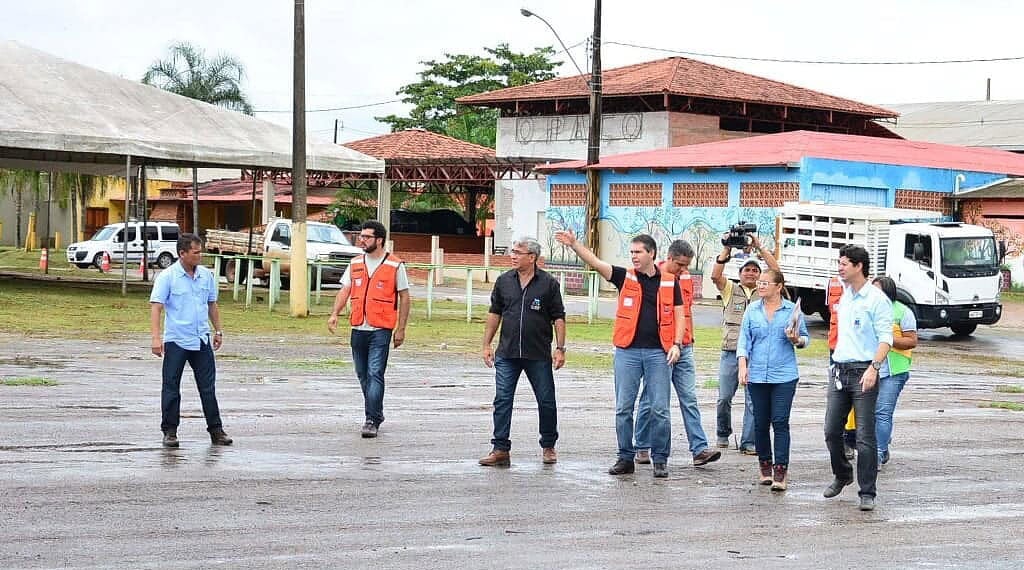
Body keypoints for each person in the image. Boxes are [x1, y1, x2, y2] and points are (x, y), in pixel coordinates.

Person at [554, 229, 683, 478]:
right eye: (632, 252)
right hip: (628, 352)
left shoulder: (669, 280)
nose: (633, 256)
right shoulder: (625, 277)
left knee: (660, 409)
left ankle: (660, 459)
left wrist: (677, 343)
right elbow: (596, 263)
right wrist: (574, 245)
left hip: (659, 353)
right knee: (624, 407)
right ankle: (625, 457)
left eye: (638, 252)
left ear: (652, 254)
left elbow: (679, 315)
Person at [479, 237, 567, 467]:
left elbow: (558, 317)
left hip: (537, 354)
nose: (513, 255)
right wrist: (486, 344)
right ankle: (500, 449)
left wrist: (560, 348)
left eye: (519, 252)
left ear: (532, 257)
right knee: (502, 399)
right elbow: (494, 313)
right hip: (507, 353)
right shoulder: (503, 281)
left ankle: (548, 445)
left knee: (546, 400)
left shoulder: (548, 283)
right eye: (513, 251)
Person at [635, 240, 722, 467]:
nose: (685, 270)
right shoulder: (653, 278)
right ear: (669, 258)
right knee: (650, 400)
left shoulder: (683, 278)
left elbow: (685, 312)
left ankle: (699, 449)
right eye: (681, 265)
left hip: (684, 346)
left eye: (687, 266)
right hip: (661, 348)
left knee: (689, 399)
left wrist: (683, 341)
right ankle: (642, 446)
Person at [823, 244, 893, 512]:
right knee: (831, 431)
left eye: (844, 263)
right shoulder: (846, 297)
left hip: (864, 370)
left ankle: (867, 491)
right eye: (839, 262)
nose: (839, 267)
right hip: (840, 369)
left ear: (858, 266)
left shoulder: (876, 299)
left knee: (864, 436)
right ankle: (842, 474)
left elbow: (886, 338)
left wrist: (874, 368)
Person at [327, 220, 410, 438]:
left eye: (366, 237)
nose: (361, 240)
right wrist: (335, 313)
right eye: (361, 236)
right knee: (362, 373)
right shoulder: (355, 263)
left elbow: (404, 297)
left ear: (379, 240)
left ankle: (371, 419)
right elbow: (345, 290)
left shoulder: (395, 265)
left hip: (381, 329)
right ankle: (377, 412)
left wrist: (401, 329)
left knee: (375, 373)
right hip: (358, 327)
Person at [150, 233, 232, 448]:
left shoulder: (206, 276)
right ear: (182, 253)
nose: (200, 256)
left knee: (208, 388)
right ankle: (170, 431)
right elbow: (156, 307)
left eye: (200, 251)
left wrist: (218, 331)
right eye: (196, 252)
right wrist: (156, 338)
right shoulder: (167, 277)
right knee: (171, 386)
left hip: (201, 339)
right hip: (177, 340)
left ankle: (216, 430)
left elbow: (212, 304)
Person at [737, 269, 809, 491]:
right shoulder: (752, 310)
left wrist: (796, 339)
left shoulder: (791, 310)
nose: (761, 286)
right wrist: (742, 366)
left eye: (766, 283)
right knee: (760, 423)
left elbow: (805, 338)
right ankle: (765, 465)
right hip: (757, 374)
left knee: (779, 421)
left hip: (784, 375)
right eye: (760, 282)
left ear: (778, 287)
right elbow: (744, 341)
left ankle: (781, 469)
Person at [710, 232, 780, 454]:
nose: (750, 273)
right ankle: (723, 433)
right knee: (724, 398)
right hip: (731, 352)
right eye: (747, 270)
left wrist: (759, 248)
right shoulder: (730, 289)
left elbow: (777, 272)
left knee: (753, 402)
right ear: (739, 274)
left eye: (755, 270)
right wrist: (727, 249)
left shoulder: (766, 293)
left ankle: (748, 442)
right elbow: (715, 275)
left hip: (757, 355)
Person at [872, 275, 917, 466]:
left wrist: (888, 339)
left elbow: (912, 341)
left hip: (894, 370)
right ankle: (882, 442)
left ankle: (879, 452)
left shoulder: (902, 312)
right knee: (870, 413)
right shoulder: (867, 310)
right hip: (869, 368)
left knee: (883, 412)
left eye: (878, 291)